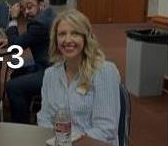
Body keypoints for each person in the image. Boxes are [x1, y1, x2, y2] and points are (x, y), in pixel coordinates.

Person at [37, 9, 120, 144]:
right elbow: (44, 118)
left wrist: (69, 141)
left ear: (85, 38)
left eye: (75, 33)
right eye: (62, 34)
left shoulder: (104, 71)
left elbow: (106, 129)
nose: (67, 40)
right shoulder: (50, 75)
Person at [0, 0, 55, 124]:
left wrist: (13, 20)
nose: (26, 12)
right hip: (49, 64)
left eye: (30, 7)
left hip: (50, 70)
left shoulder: (39, 24)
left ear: (41, 5)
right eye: (23, 9)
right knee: (17, 72)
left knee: (13, 86)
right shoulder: (49, 14)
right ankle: (27, 109)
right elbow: (28, 38)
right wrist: (11, 40)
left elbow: (15, 48)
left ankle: (21, 126)